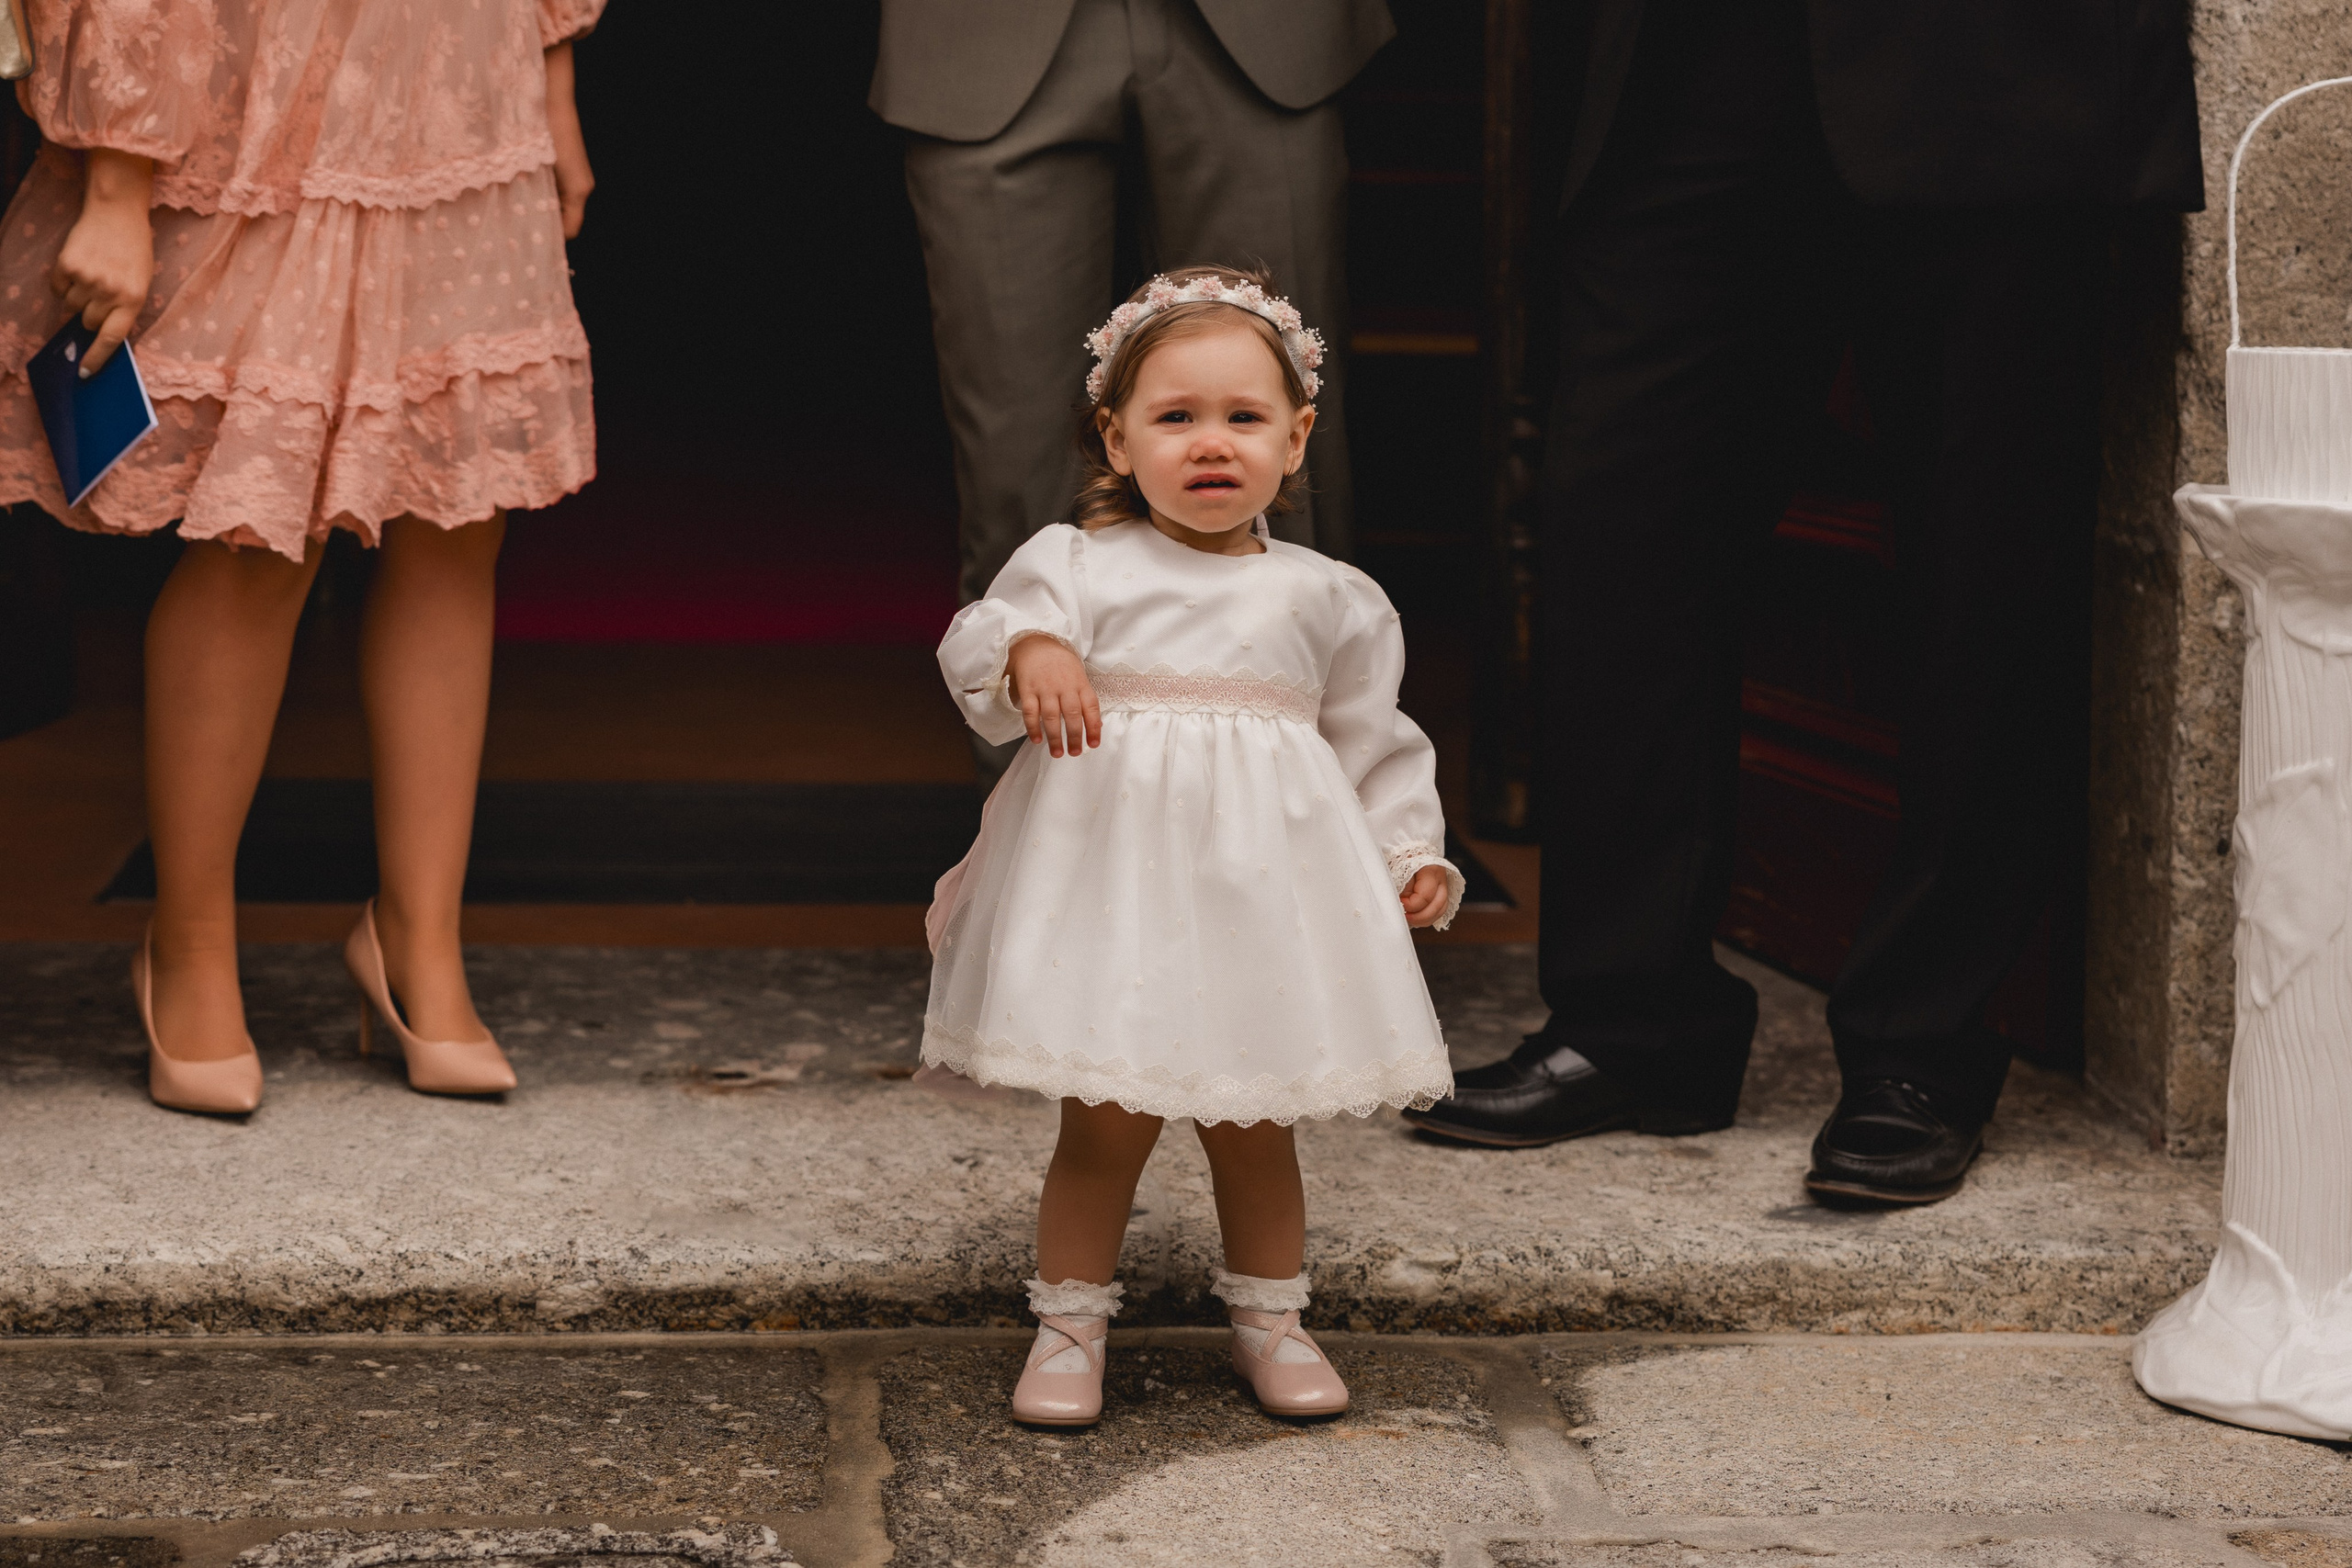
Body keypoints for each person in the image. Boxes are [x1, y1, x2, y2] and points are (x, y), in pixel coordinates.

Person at [1403, 0, 2202, 1203]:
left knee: (1981, 553)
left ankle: (1924, 1041)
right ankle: (1634, 1019)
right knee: (1620, 517)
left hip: (1992, 69)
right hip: (1690, 56)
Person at [0, 0, 605, 1111]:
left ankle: (419, 943)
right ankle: (187, 943)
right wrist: (117, 176)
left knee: (456, 517)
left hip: (463, 79)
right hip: (254, 89)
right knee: (256, 532)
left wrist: (553, 74)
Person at [925, 265, 1463, 1425]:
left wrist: (1407, 853)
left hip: (1258, 906)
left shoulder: (1333, 597)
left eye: (1243, 417)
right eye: (1174, 418)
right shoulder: (1073, 567)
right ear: (1117, 440)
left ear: (1296, 436)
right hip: (1110, 900)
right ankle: (1068, 1329)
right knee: (1100, 1129)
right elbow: (979, 636)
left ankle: (1272, 1321)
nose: (1209, 443)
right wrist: (1031, 651)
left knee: (1254, 1123)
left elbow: (1375, 745)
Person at [871, 0, 1393, 783]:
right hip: (977, 31)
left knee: (1276, 448)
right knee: (1016, 468)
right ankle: (1042, 842)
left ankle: (1311, 825)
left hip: (1266, 27)